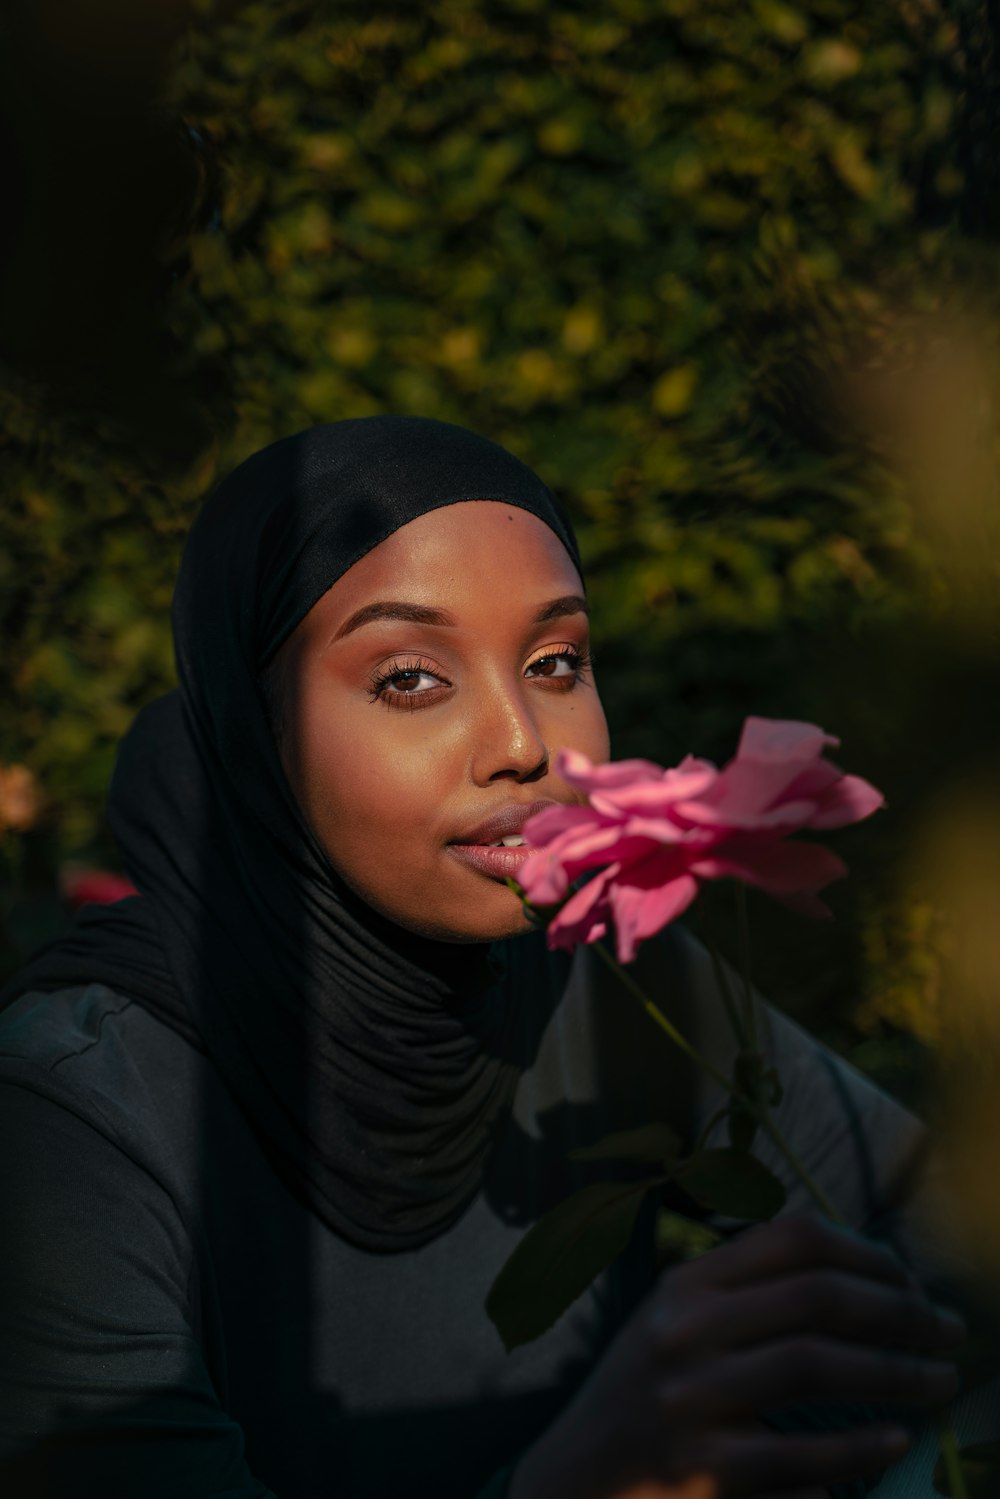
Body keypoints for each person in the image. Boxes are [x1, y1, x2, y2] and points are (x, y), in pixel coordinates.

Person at [0, 416, 988, 1499]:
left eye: (556, 660)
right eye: (411, 677)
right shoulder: (74, 1117)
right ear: (255, 729)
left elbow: (936, 1229)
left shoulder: (609, 977)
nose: (523, 740)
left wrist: (769, 1448)